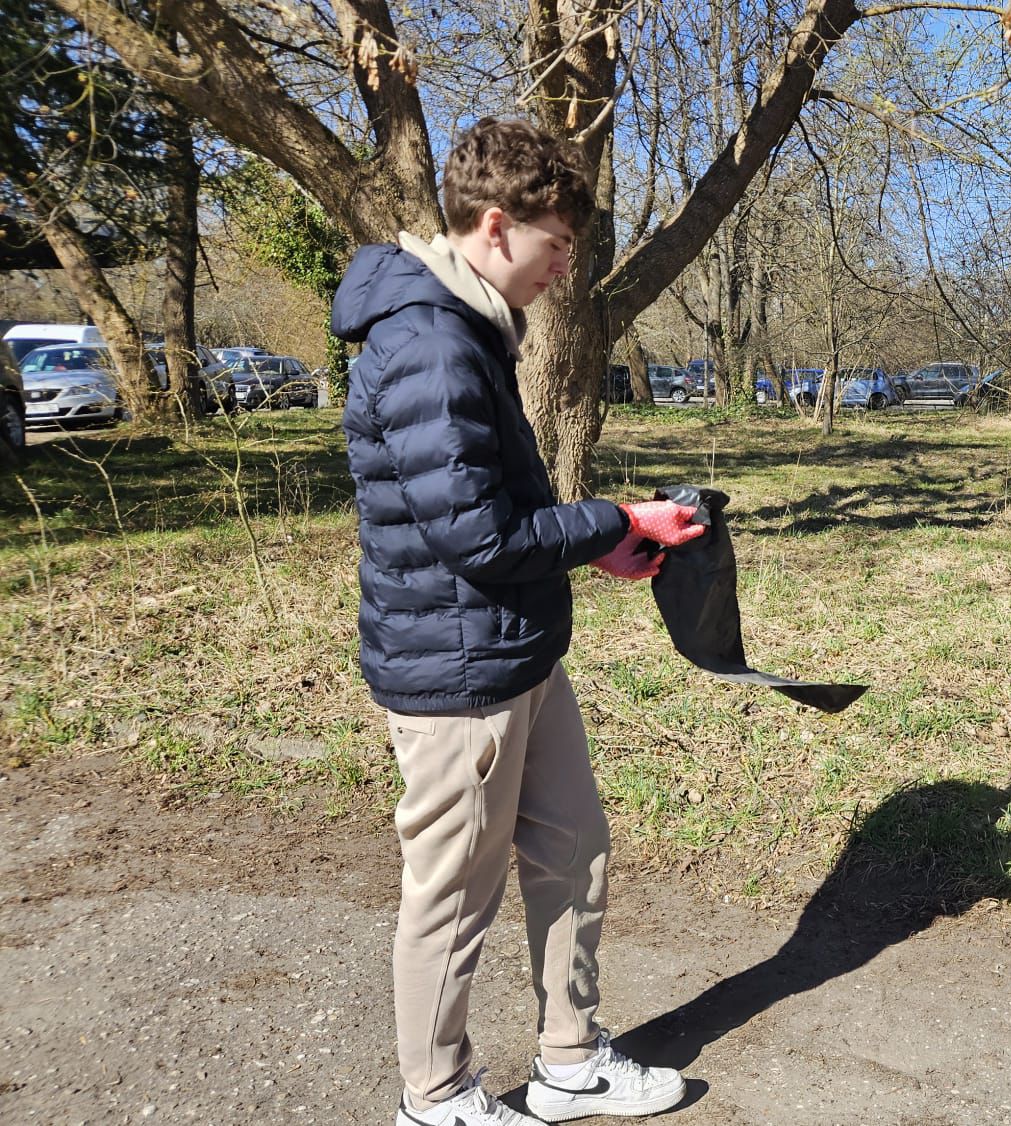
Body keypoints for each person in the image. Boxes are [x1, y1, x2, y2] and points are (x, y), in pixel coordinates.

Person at [332, 117, 703, 1126]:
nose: (565, 269)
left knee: (574, 852)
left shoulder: (469, 331)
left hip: (520, 657)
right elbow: (480, 539)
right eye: (558, 247)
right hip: (457, 679)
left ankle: (569, 1062)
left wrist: (604, 546)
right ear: (497, 227)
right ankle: (437, 1097)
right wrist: (616, 518)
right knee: (452, 899)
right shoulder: (429, 346)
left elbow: (496, 519)